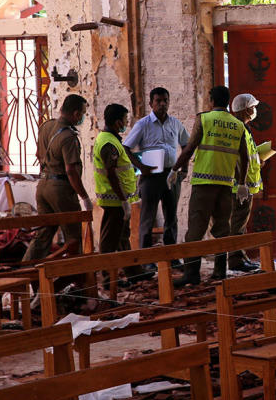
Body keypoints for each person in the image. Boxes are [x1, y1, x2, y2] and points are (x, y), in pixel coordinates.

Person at [171, 86, 249, 285]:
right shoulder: (237, 124)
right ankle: (220, 272)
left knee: (195, 230)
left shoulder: (204, 119)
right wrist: (242, 183)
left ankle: (191, 273)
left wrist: (175, 169)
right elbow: (244, 157)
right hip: (225, 185)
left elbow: (189, 149)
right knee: (223, 229)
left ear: (212, 100)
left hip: (204, 184)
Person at [22, 94, 92, 261]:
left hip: (43, 185)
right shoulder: (68, 137)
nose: (82, 117)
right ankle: (76, 278)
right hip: (60, 189)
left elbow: (38, 154)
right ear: (76, 114)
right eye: (82, 113)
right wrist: (84, 197)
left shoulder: (46, 126)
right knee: (73, 236)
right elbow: (71, 171)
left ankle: (26, 270)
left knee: (43, 234)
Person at [93, 104, 155, 284]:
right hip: (114, 200)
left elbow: (121, 168)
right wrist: (123, 201)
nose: (126, 124)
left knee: (121, 238)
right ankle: (107, 278)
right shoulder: (108, 143)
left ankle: (134, 272)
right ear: (118, 121)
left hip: (119, 199)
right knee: (109, 241)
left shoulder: (112, 139)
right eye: (125, 121)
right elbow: (111, 174)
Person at [123, 87, 189, 251]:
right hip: (151, 176)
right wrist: (140, 167)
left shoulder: (175, 123)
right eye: (158, 101)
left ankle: (171, 255)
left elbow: (186, 145)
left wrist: (184, 170)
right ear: (151, 103)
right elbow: (126, 147)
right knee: (148, 216)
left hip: (171, 175)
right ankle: (147, 258)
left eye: (165, 101)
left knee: (171, 217)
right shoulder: (143, 124)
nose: (162, 104)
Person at [227, 93, 263, 273]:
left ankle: (241, 257)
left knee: (240, 224)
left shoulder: (244, 128)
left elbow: (248, 157)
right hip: (241, 186)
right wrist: (241, 184)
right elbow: (238, 159)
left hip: (246, 185)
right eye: (253, 107)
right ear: (247, 109)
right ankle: (235, 260)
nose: (255, 110)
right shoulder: (238, 128)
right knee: (237, 225)